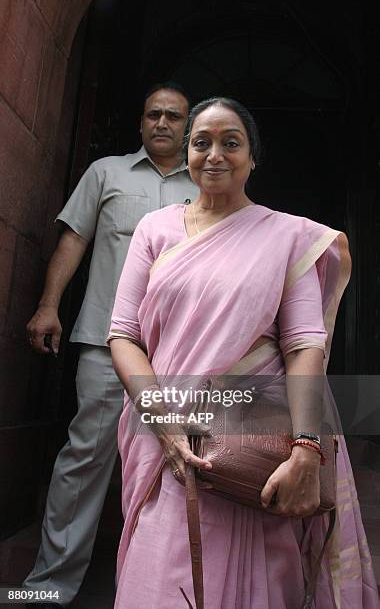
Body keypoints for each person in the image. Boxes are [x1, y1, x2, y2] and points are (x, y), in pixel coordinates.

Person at [108, 97, 380, 608]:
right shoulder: (155, 229)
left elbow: (304, 345)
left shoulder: (287, 237)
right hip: (164, 433)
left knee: (252, 580)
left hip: (251, 443)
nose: (215, 154)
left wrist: (306, 447)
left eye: (231, 143)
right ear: (186, 153)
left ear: (253, 157)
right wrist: (164, 422)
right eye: (201, 142)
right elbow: (123, 334)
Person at [23, 82, 198, 608]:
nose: (162, 123)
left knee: (180, 464)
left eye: (173, 116)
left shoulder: (210, 181)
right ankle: (47, 590)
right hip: (105, 344)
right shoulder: (107, 173)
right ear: (141, 123)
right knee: (85, 460)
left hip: (181, 354)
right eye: (153, 115)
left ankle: (162, 593)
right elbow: (73, 240)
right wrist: (49, 305)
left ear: (188, 126)